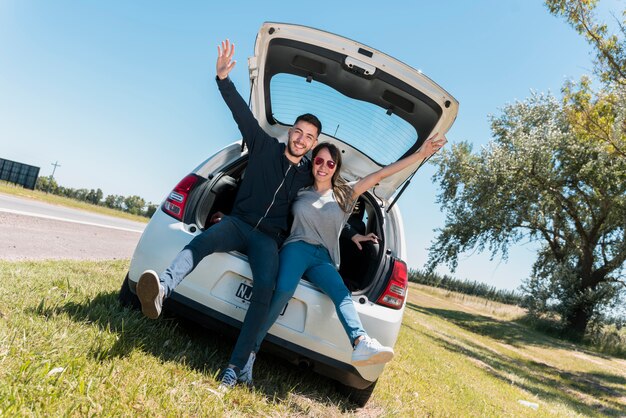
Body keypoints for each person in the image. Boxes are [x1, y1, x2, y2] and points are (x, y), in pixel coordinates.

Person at [135, 39, 320, 389]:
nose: (300, 139)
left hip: (268, 241)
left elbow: (334, 198)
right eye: (298, 131)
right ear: (290, 132)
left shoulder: (308, 177)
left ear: (312, 143)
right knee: (202, 242)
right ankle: (162, 288)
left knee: (265, 291)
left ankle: (235, 369)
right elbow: (241, 113)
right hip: (238, 224)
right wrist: (223, 80)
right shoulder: (265, 146)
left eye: (308, 137)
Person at [236, 135, 447, 386]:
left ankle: (361, 342)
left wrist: (421, 154)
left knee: (341, 293)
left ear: (336, 168)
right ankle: (249, 355)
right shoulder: (299, 189)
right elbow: (270, 201)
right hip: (297, 248)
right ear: (312, 163)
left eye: (330, 163)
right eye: (319, 161)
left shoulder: (345, 194)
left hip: (323, 257)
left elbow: (381, 175)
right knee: (281, 292)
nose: (324, 167)